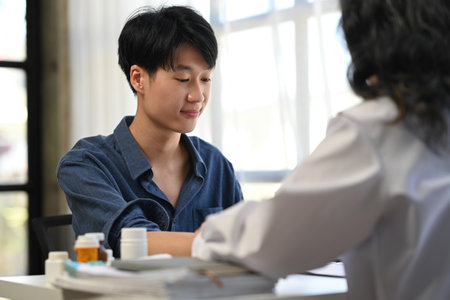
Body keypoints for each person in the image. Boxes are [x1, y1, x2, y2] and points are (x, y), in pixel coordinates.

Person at [191, 0, 450, 299]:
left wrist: (207, 235)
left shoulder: (378, 127)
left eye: (204, 79)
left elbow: (273, 240)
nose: (196, 94)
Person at [57, 6, 242, 258]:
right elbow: (129, 239)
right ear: (138, 79)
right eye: (183, 79)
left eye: (206, 79)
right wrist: (212, 244)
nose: (198, 96)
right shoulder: (86, 164)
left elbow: (246, 242)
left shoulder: (216, 165)